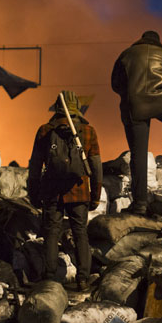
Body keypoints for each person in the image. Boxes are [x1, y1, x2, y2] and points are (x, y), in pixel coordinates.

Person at [27, 90, 102, 291]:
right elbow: (96, 167)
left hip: (52, 191)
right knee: (80, 233)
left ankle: (50, 278)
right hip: (79, 191)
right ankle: (83, 279)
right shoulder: (88, 131)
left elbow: (35, 165)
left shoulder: (45, 130)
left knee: (52, 233)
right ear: (77, 107)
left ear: (57, 108)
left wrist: (33, 193)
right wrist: (95, 195)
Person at [111, 30, 162, 215]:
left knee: (138, 156)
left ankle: (139, 203)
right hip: (161, 103)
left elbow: (115, 84)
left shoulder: (126, 54)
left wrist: (130, 93)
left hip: (134, 108)